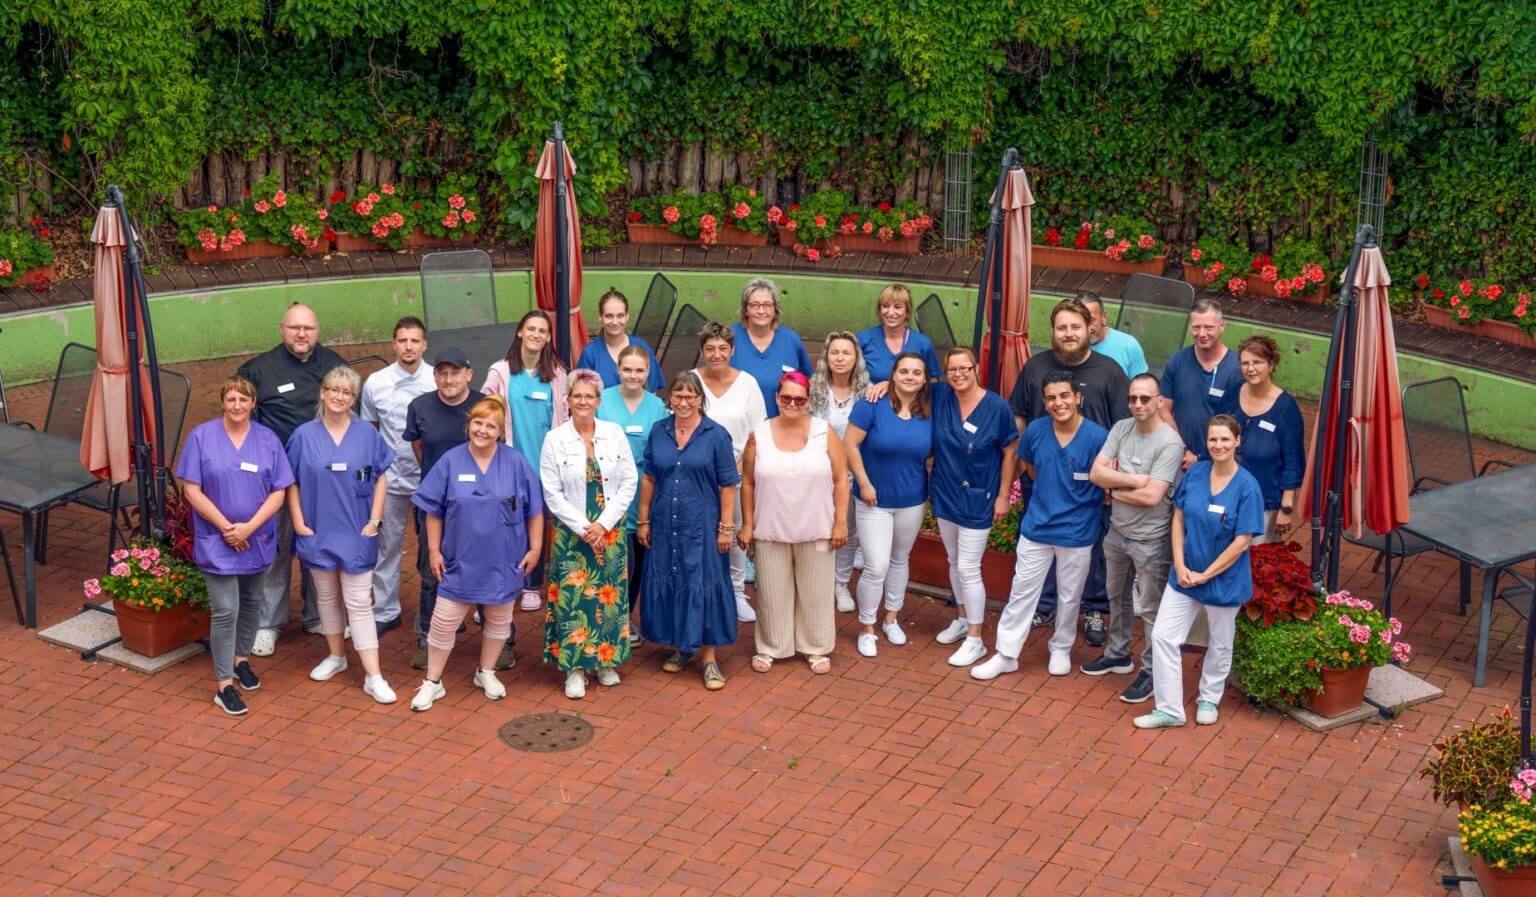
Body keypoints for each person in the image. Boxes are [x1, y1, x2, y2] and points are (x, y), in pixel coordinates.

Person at [1007, 297, 1130, 648]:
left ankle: (1092, 609)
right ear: (1053, 332)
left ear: (1090, 328)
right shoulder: (1034, 367)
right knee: (1038, 544)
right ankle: (1043, 606)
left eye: (1075, 326)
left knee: (1092, 550)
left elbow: (1123, 428)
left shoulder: (1109, 372)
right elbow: (1019, 416)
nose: (1069, 333)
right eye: (1062, 328)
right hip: (1043, 477)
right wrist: (1023, 465)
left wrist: (1110, 475)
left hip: (1093, 485)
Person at [409, 396, 544, 712]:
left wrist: (535, 549)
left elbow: (535, 510)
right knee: (443, 621)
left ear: (500, 431)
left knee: (499, 618)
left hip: (503, 559)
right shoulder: (451, 462)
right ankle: (433, 681)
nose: (483, 430)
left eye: (491, 425)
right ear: (469, 424)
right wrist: (433, 550)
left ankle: (486, 672)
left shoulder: (515, 463)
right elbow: (433, 511)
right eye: (478, 423)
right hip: (459, 559)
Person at [972, 372, 1109, 681]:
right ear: (1045, 404)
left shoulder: (1098, 438)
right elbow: (1031, 469)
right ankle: (1006, 654)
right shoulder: (1035, 430)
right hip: (1038, 527)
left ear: (1078, 397)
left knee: (1070, 595)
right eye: (1051, 398)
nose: (1058, 403)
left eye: (1064, 395)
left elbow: (1104, 484)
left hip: (1077, 533)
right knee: (1021, 592)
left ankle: (1060, 646)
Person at [1134, 415, 1264, 728]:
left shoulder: (1248, 487)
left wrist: (1206, 575)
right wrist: (1180, 565)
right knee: (1164, 636)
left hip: (1223, 580)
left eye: (1224, 439)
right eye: (1212, 440)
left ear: (1237, 441)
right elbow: (1178, 520)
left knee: (1219, 643)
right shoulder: (1195, 474)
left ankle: (1209, 696)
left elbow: (1241, 542)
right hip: (1184, 576)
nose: (1218, 445)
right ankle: (1169, 710)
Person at [177, 376, 295, 715]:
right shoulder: (202, 437)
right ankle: (223, 684)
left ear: (253, 403)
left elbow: (279, 491)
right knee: (225, 610)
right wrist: (227, 528)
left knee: (253, 600)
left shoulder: (268, 439)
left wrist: (249, 528)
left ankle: (242, 659)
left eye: (243, 400)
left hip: (255, 538)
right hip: (219, 539)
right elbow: (192, 489)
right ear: (223, 402)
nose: (237, 406)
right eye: (231, 399)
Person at [235, 303, 347, 657]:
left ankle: (318, 615)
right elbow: (241, 425)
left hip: (323, 480)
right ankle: (268, 623)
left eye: (309, 328)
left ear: (318, 330)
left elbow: (349, 415)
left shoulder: (335, 366)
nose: (302, 334)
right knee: (276, 552)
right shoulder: (257, 370)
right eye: (295, 328)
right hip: (276, 481)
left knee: (321, 551)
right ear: (282, 328)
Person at [286, 366, 397, 704]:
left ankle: (374, 676)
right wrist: (299, 521)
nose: (339, 396)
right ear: (322, 393)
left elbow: (380, 476)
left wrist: (375, 521)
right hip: (317, 528)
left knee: (359, 603)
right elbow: (289, 480)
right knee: (327, 599)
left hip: (356, 529)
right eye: (333, 389)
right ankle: (336, 657)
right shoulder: (304, 435)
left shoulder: (367, 434)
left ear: (353, 399)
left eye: (346, 392)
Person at [738, 372, 850, 675]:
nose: (792, 403)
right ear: (777, 398)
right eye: (786, 397)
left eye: (799, 399)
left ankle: (815, 646)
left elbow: (841, 480)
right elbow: (747, 482)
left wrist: (840, 522)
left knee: (816, 592)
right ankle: (771, 646)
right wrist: (747, 525)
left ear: (808, 401)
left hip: (817, 526)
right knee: (773, 592)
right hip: (770, 526)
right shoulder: (758, 434)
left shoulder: (823, 432)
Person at [636, 370, 741, 691]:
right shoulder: (659, 431)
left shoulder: (715, 435)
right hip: (666, 525)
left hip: (703, 526)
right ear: (670, 399)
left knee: (704, 583)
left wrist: (726, 528)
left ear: (700, 399)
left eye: (690, 396)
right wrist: (643, 520)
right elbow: (650, 477)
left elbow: (728, 485)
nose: (683, 402)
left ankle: (708, 659)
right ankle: (683, 647)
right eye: (678, 396)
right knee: (675, 580)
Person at [1086, 373, 1185, 704]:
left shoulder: (1170, 443)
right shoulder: (1121, 428)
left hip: (1151, 541)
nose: (1138, 404)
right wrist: (1134, 481)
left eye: (1145, 398)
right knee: (1117, 597)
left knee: (1153, 609)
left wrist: (1113, 488)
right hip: (1117, 533)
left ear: (1159, 401)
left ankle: (1153, 672)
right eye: (1133, 399)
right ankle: (1118, 653)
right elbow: (1094, 473)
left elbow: (1153, 497)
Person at [540, 370, 638, 699]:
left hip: (609, 531)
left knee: (609, 599)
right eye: (577, 396)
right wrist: (584, 527)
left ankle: (606, 662)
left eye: (589, 396)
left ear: (599, 401)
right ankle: (575, 668)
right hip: (572, 533)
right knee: (574, 602)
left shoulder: (614, 434)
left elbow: (629, 482)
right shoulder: (555, 439)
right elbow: (551, 492)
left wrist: (603, 525)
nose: (583, 401)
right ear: (567, 401)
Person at [928, 347, 1018, 667]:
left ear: (976, 368)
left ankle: (976, 640)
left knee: (968, 566)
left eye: (964, 368)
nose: (958, 374)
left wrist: (1003, 495)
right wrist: (882, 385)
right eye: (952, 369)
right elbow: (906, 383)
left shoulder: (997, 407)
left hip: (980, 496)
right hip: (946, 493)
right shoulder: (941, 396)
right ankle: (963, 619)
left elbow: (1010, 451)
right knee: (954, 560)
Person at [844, 352, 933, 658]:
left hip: (912, 499)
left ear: (925, 379)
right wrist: (864, 483)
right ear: (893, 375)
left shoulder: (930, 409)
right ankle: (867, 626)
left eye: (916, 373)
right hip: (874, 499)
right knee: (876, 566)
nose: (910, 377)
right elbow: (850, 444)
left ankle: (891, 618)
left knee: (899, 559)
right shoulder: (872, 403)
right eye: (904, 371)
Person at [483, 309, 569, 617]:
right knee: (502, 527)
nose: (535, 334)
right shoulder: (500, 372)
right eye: (530, 328)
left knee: (538, 527)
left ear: (548, 338)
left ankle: (532, 585)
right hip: (507, 466)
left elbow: (566, 418)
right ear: (520, 332)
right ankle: (498, 584)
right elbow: (484, 414)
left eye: (542, 331)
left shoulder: (558, 376)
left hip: (545, 467)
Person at [402, 346, 482, 669]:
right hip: (434, 504)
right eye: (442, 372)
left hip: (478, 505)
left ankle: (501, 637)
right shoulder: (419, 406)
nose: (449, 379)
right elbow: (418, 446)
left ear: (468, 374)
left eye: (455, 372)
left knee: (483, 567)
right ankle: (427, 636)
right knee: (431, 570)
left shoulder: (484, 405)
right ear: (434, 375)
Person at [359, 316, 434, 640]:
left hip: (430, 479)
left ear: (424, 345)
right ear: (393, 344)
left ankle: (433, 611)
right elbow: (369, 430)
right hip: (390, 479)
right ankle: (385, 611)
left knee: (433, 549)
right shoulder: (376, 383)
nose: (408, 346)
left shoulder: (436, 379)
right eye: (403, 340)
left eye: (415, 341)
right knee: (387, 546)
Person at [597, 345, 671, 647]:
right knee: (616, 560)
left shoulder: (656, 407)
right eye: (627, 369)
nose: (633, 375)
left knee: (640, 562)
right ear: (618, 369)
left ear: (648, 373)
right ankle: (609, 615)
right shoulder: (603, 402)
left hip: (645, 493)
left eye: (639, 370)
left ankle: (627, 614)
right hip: (609, 493)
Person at [696, 321, 768, 623]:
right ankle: (700, 591)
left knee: (736, 534)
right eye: (710, 349)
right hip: (697, 476)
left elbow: (758, 432)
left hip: (737, 475)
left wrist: (738, 469)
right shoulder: (690, 380)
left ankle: (737, 592)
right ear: (702, 351)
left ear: (732, 350)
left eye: (722, 348)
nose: (716, 354)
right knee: (699, 535)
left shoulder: (748, 383)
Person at [809, 332, 870, 614]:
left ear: (856, 357)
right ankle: (819, 582)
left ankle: (840, 583)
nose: (840, 358)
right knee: (820, 530)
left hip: (854, 473)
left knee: (848, 531)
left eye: (846, 353)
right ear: (826, 357)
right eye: (835, 353)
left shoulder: (868, 392)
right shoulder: (813, 390)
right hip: (819, 475)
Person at [1232, 335, 1305, 544]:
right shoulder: (1232, 394)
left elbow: (1293, 462)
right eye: (1245, 363)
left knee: (1257, 564)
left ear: (1271, 365)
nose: (1250, 368)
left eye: (1257, 362)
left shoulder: (1285, 408)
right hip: (1228, 496)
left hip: (1265, 503)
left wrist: (1286, 507)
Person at [1159, 296, 1243, 469]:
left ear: (1222, 326)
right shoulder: (1178, 360)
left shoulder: (1237, 369)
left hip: (1221, 461)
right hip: (1180, 457)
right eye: (1196, 327)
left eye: (1209, 327)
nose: (1202, 334)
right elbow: (1163, 409)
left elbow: (1239, 424)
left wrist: (1201, 457)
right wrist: (1182, 450)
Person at [731, 277, 813, 415]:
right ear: (745, 309)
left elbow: (808, 381)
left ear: (775, 310)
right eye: (754, 305)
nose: (761, 311)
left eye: (767, 305)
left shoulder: (790, 340)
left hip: (781, 426)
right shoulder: (729, 338)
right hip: (739, 426)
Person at [576, 289, 665, 391]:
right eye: (609, 316)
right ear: (600, 317)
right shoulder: (590, 353)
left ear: (627, 316)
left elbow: (652, 393)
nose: (615, 322)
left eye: (620, 316)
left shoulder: (643, 348)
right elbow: (582, 393)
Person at [857, 283, 942, 384]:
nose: (891, 312)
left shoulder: (922, 343)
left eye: (897, 307)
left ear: (907, 311)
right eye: (885, 306)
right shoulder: (864, 339)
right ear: (879, 310)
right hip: (872, 398)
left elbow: (933, 382)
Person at [1080, 292, 1148, 378]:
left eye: (1091, 320)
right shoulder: (1068, 347)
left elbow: (1142, 387)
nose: (1087, 327)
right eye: (1080, 320)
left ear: (1104, 317)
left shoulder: (1128, 345)